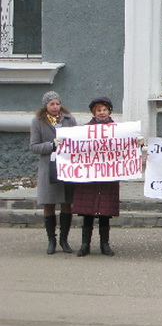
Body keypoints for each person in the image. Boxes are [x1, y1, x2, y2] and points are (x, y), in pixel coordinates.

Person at [71, 97, 121, 257]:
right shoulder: (85, 130)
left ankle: (104, 244)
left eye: (104, 110)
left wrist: (137, 144)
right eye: (99, 110)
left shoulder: (118, 130)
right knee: (88, 212)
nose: (102, 113)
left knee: (105, 212)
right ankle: (85, 244)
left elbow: (125, 148)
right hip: (90, 177)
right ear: (94, 112)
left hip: (107, 176)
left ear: (109, 111)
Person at [29, 91, 77, 254]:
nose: (55, 107)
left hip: (66, 166)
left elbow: (76, 141)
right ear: (46, 106)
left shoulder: (69, 120)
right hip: (48, 167)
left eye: (57, 103)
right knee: (49, 203)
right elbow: (34, 146)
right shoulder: (38, 121)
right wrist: (51, 145)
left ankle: (64, 240)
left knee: (66, 202)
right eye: (52, 104)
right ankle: (51, 240)